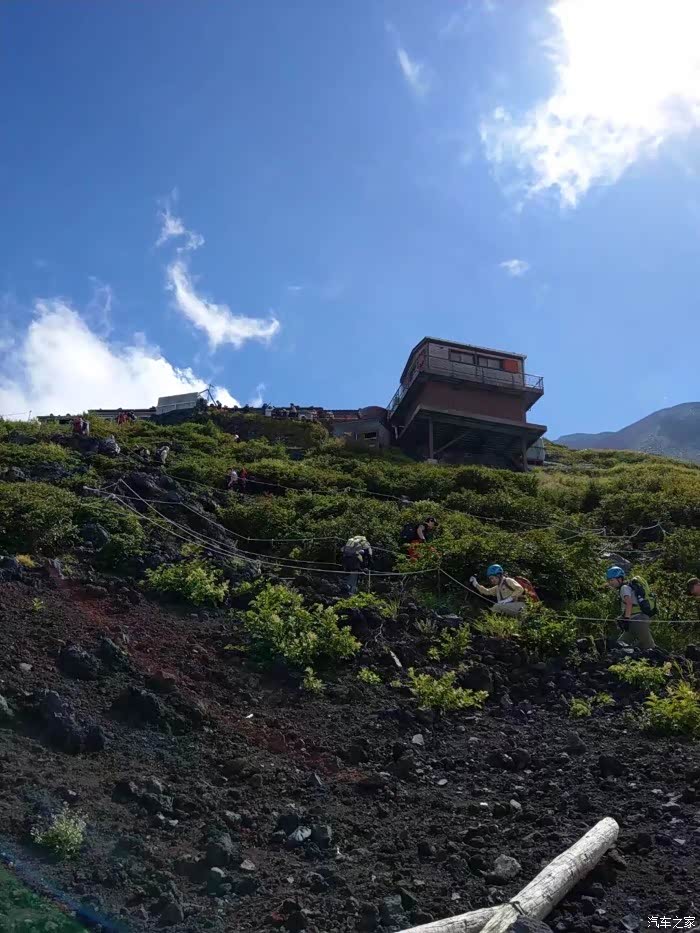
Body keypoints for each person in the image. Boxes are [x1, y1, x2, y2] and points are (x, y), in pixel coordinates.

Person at [605, 566, 655, 650]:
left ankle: (668, 661)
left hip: (638, 620)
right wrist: (623, 617)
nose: (610, 583)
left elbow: (629, 603)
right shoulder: (627, 587)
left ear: (620, 579)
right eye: (609, 580)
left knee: (649, 647)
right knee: (620, 645)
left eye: (612, 580)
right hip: (635, 620)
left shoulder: (624, 588)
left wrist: (626, 620)